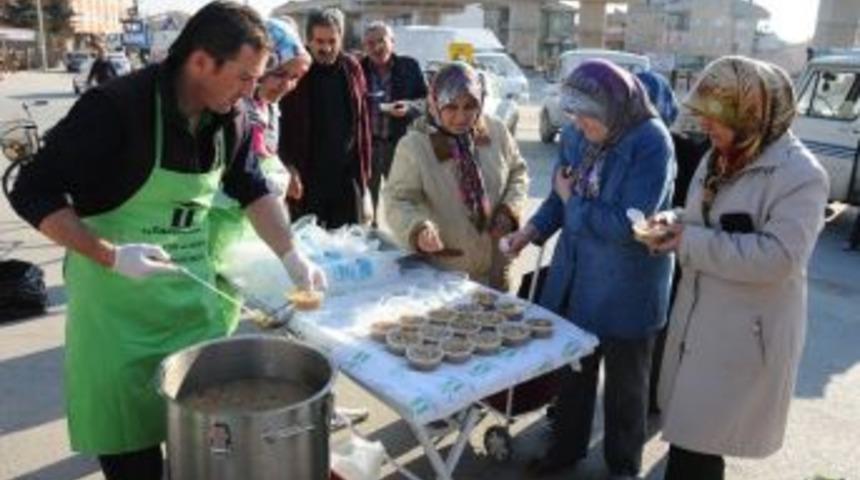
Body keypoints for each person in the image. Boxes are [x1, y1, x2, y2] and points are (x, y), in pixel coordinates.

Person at [8, 3, 326, 479]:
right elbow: (30, 189)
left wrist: (291, 255)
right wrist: (109, 255)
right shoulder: (116, 109)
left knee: (206, 459)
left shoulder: (231, 118)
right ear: (200, 61)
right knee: (135, 463)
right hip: (117, 323)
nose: (250, 91)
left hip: (190, 315)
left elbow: (252, 189)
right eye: (243, 77)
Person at [641, 56, 829, 480]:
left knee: (698, 449)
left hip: (742, 338)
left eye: (716, 118)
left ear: (752, 115)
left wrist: (689, 241)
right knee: (692, 441)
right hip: (698, 324)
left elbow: (780, 259)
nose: (705, 127)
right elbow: (701, 220)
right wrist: (672, 224)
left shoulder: (801, 176)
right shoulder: (721, 156)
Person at [502, 59, 675, 479]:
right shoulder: (580, 135)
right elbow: (559, 194)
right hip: (576, 280)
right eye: (573, 114)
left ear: (615, 107)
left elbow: (626, 225)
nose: (577, 125)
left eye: (586, 116)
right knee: (573, 377)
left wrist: (572, 200)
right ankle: (565, 450)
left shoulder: (651, 142)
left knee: (625, 391)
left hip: (626, 288)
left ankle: (622, 467)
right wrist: (529, 231)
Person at [384, 62, 528, 289]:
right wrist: (418, 228)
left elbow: (517, 172)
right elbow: (398, 199)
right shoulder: (416, 145)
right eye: (451, 107)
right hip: (444, 274)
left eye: (469, 106)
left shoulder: (495, 131)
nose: (461, 117)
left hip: (495, 269)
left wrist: (509, 209)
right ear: (434, 105)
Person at [208, 17, 312, 323]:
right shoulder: (235, 109)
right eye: (280, 74)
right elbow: (238, 174)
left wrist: (282, 172)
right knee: (211, 308)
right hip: (218, 227)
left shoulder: (269, 107)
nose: (287, 85)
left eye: (294, 77)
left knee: (231, 305)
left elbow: (266, 154)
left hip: (249, 225)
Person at [279, 8, 372, 228]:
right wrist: (287, 166)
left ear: (341, 38)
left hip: (345, 181)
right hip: (306, 181)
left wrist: (364, 182)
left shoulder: (352, 68)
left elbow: (362, 123)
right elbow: (279, 124)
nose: (326, 48)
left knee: (347, 248)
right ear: (308, 40)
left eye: (332, 41)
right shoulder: (296, 71)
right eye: (319, 41)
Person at [359, 21, 428, 221]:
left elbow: (427, 102)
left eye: (382, 40)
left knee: (402, 202)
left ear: (392, 42)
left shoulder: (409, 66)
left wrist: (409, 107)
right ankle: (370, 241)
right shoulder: (357, 69)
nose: (377, 47)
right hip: (367, 147)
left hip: (399, 147)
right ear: (365, 47)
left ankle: (404, 242)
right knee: (365, 207)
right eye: (370, 43)